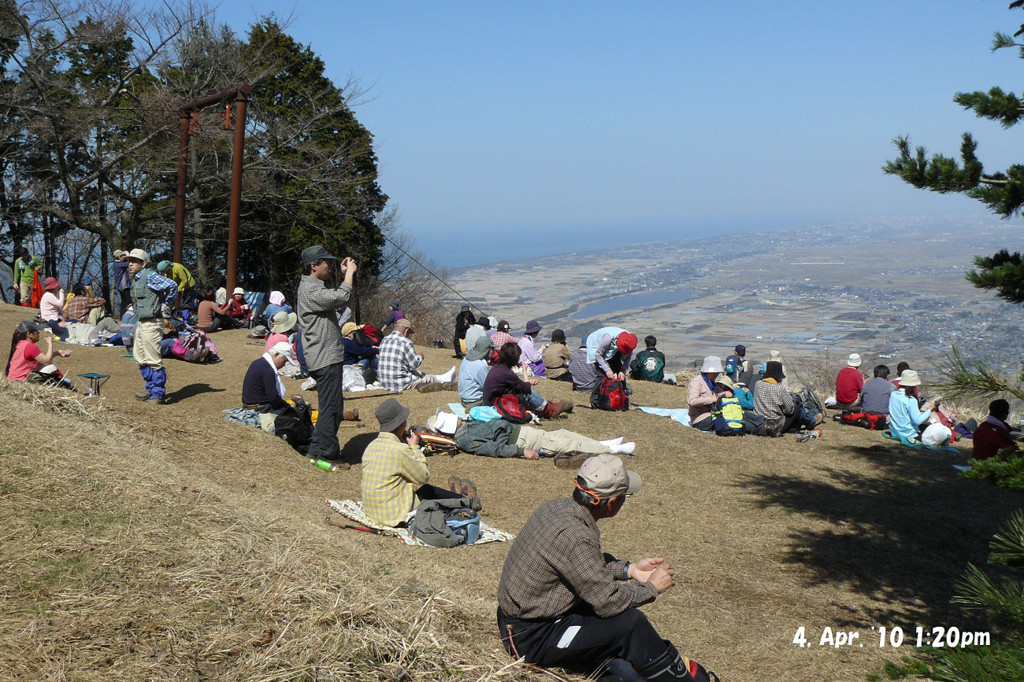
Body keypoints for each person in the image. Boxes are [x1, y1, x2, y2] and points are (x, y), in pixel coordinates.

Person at [496, 455, 717, 682]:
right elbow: (607, 602)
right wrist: (652, 588)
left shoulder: (555, 508)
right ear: (612, 503)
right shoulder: (575, 536)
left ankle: (671, 672)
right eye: (625, 496)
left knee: (625, 651)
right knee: (631, 625)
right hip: (533, 638)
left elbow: (582, 567)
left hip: (523, 623)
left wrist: (630, 570)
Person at [361, 398, 471, 527]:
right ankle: (466, 502)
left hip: (374, 512)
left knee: (425, 492)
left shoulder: (371, 446)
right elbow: (423, 476)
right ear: (401, 424)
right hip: (396, 516)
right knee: (428, 490)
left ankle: (461, 499)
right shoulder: (400, 450)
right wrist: (414, 448)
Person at [297, 244, 357, 462]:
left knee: (330, 406)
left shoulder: (311, 287)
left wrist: (343, 275)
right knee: (331, 409)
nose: (330, 266)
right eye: (326, 263)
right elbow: (340, 297)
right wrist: (349, 274)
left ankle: (315, 449)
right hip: (325, 357)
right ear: (314, 265)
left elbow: (332, 295)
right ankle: (329, 455)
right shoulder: (311, 290)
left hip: (323, 356)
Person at [429, 409, 634, 462]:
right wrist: (521, 452)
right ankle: (611, 449)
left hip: (521, 432)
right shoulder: (464, 439)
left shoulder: (465, 426)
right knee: (564, 443)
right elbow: (492, 449)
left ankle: (599, 443)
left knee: (564, 433)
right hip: (520, 440)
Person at [127, 248, 178, 404]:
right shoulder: (136, 279)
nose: (130, 264)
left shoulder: (150, 276)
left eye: (134, 261)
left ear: (143, 263)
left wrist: (165, 304)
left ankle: (158, 394)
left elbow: (172, 285)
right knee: (140, 357)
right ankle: (149, 388)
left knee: (153, 358)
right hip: (141, 322)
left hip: (152, 322)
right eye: (129, 261)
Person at [482, 342, 571, 419]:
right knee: (527, 393)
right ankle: (549, 409)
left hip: (489, 402)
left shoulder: (498, 368)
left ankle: (548, 406)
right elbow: (524, 387)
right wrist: (528, 383)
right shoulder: (506, 372)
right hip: (494, 406)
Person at [377, 318, 455, 391]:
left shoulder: (384, 340)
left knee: (415, 372)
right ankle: (442, 379)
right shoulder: (406, 342)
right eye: (409, 333)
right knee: (422, 377)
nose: (409, 335)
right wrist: (420, 357)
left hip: (383, 381)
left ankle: (440, 378)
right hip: (400, 383)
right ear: (406, 331)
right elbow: (414, 364)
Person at [754, 361, 818, 436]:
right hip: (776, 424)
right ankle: (811, 421)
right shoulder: (779, 388)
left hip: (760, 422)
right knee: (797, 408)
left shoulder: (757, 384)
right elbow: (789, 410)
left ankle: (797, 426)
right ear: (778, 377)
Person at [5, 319, 72, 387]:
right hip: (21, 380)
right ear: (29, 334)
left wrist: (57, 353)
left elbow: (42, 360)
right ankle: (64, 385)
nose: (38, 333)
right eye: (36, 331)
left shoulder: (21, 344)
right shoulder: (30, 346)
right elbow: (48, 361)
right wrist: (50, 343)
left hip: (13, 379)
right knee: (52, 367)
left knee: (44, 367)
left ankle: (63, 383)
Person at [241, 342, 296, 414]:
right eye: (284, 361)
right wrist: (288, 406)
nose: (284, 365)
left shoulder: (259, 362)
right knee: (294, 414)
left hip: (251, 405)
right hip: (260, 408)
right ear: (276, 355)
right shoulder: (268, 370)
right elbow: (273, 398)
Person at [887, 370, 937, 443]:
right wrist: (929, 410)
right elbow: (917, 421)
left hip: (895, 431)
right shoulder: (911, 400)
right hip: (909, 434)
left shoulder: (893, 395)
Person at [687, 356, 724, 432]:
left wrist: (726, 394)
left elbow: (720, 393)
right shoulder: (697, 382)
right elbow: (692, 401)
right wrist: (711, 399)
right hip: (700, 419)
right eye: (715, 372)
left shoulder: (711, 383)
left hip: (712, 415)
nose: (717, 375)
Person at [458, 335, 496, 407]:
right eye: (492, 348)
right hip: (475, 402)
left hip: (464, 400)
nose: (494, 351)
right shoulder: (480, 365)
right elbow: (488, 387)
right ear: (487, 350)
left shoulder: (466, 358)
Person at [38, 277, 69, 341]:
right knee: (62, 324)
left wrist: (64, 314)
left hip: (54, 318)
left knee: (71, 322)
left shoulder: (51, 295)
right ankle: (62, 333)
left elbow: (57, 308)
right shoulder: (48, 295)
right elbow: (60, 304)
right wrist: (61, 293)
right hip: (49, 320)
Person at [112, 250, 132, 316]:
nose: (124, 257)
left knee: (124, 302)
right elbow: (128, 264)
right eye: (123, 256)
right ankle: (125, 315)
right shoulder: (118, 265)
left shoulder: (116, 264)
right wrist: (128, 255)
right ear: (119, 257)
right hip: (124, 286)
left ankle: (123, 316)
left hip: (121, 287)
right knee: (127, 302)